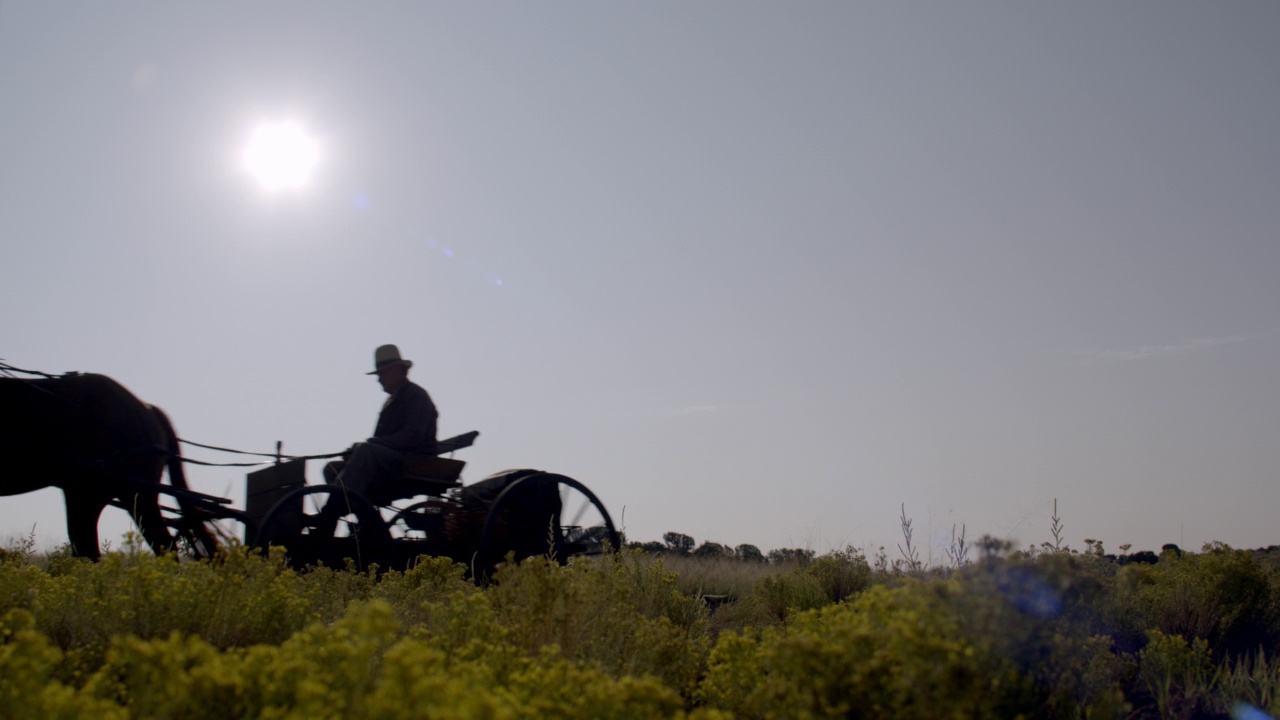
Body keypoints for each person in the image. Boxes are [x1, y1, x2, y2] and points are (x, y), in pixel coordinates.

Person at [316, 344, 438, 532]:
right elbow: (381, 444)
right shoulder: (392, 401)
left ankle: (328, 519)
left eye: (382, 374)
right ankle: (372, 527)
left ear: (397, 370)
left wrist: (370, 446)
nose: (379, 380)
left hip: (413, 463)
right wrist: (357, 452)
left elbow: (411, 438)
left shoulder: (416, 396)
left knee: (366, 451)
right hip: (392, 462)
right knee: (332, 469)